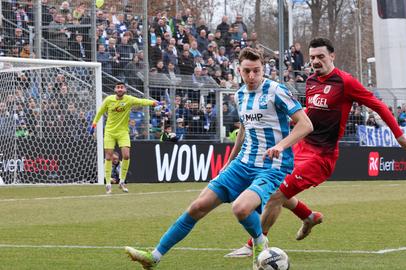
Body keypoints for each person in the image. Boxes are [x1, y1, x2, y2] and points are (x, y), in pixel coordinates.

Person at [124, 47, 313, 269]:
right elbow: (244, 130)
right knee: (198, 206)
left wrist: (281, 146)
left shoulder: (276, 91)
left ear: (264, 69)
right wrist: (229, 162)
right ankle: (153, 257)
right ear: (239, 70)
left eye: (256, 71)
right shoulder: (240, 94)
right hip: (242, 163)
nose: (251, 76)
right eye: (246, 71)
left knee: (241, 208)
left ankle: (260, 242)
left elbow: (305, 124)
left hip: (272, 166)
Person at [226, 37, 406, 257]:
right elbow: (311, 113)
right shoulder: (312, 81)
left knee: (276, 193)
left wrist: (398, 135)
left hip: (321, 157)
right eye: (312, 57)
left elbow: (378, 105)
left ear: (332, 56)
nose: (316, 61)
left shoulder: (346, 82)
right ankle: (308, 216)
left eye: (320, 56)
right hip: (300, 147)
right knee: (271, 187)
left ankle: (254, 245)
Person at [89, 82, 159, 194]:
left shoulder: (129, 99)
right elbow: (100, 112)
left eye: (122, 87)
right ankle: (108, 183)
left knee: (126, 155)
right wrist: (93, 125)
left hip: (123, 132)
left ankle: (122, 181)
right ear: (115, 89)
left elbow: (141, 101)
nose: (120, 89)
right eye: (118, 87)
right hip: (110, 132)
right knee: (108, 156)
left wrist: (154, 103)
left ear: (125, 89)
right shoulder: (108, 100)